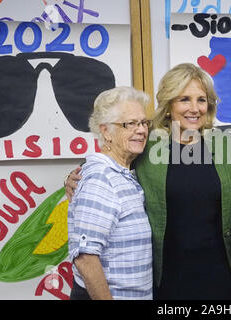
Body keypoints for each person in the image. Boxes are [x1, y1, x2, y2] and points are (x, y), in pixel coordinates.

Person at [66, 64, 231, 300]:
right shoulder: (147, 148)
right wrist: (73, 178)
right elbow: (110, 160)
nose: (195, 108)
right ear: (169, 106)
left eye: (202, 99)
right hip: (167, 278)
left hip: (219, 274)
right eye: (185, 99)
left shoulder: (223, 146)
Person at [67, 86, 153, 300]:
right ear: (105, 131)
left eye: (143, 123)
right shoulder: (101, 178)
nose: (141, 130)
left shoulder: (122, 172)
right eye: (130, 124)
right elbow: (85, 258)